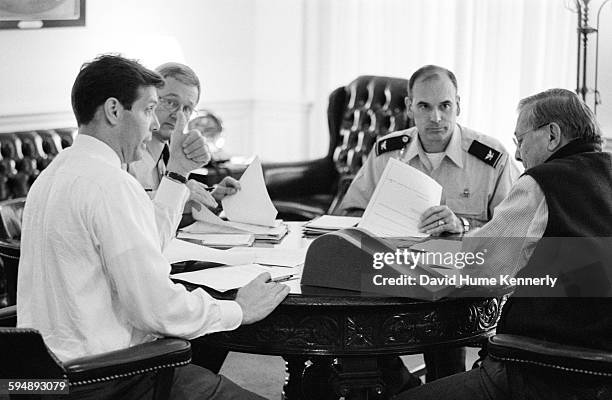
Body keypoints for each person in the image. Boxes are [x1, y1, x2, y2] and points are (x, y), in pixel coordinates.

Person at [17, 54, 289, 399]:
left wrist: (177, 173)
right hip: (108, 379)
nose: (152, 125)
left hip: (40, 379)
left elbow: (146, 245)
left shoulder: (52, 176)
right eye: (149, 110)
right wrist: (240, 309)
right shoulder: (110, 184)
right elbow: (156, 309)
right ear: (114, 110)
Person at [393, 88, 612, 399]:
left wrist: (412, 255)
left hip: (544, 371)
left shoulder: (544, 183)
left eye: (520, 140)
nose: (519, 154)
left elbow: (483, 268)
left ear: (552, 135)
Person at [338, 65, 520, 382]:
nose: (435, 117)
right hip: (393, 268)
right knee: (350, 327)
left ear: (458, 105)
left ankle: (442, 383)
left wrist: (462, 225)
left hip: (457, 275)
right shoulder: (387, 151)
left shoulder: (491, 156)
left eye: (444, 106)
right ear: (410, 107)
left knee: (444, 339)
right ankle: (404, 386)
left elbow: (512, 234)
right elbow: (349, 213)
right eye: (424, 106)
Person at [128, 62, 239, 214]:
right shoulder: (127, 154)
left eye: (187, 109)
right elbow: (131, 215)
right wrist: (180, 192)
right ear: (151, 98)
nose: (178, 115)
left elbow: (168, 215)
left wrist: (212, 196)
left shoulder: (174, 154)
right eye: (170, 102)